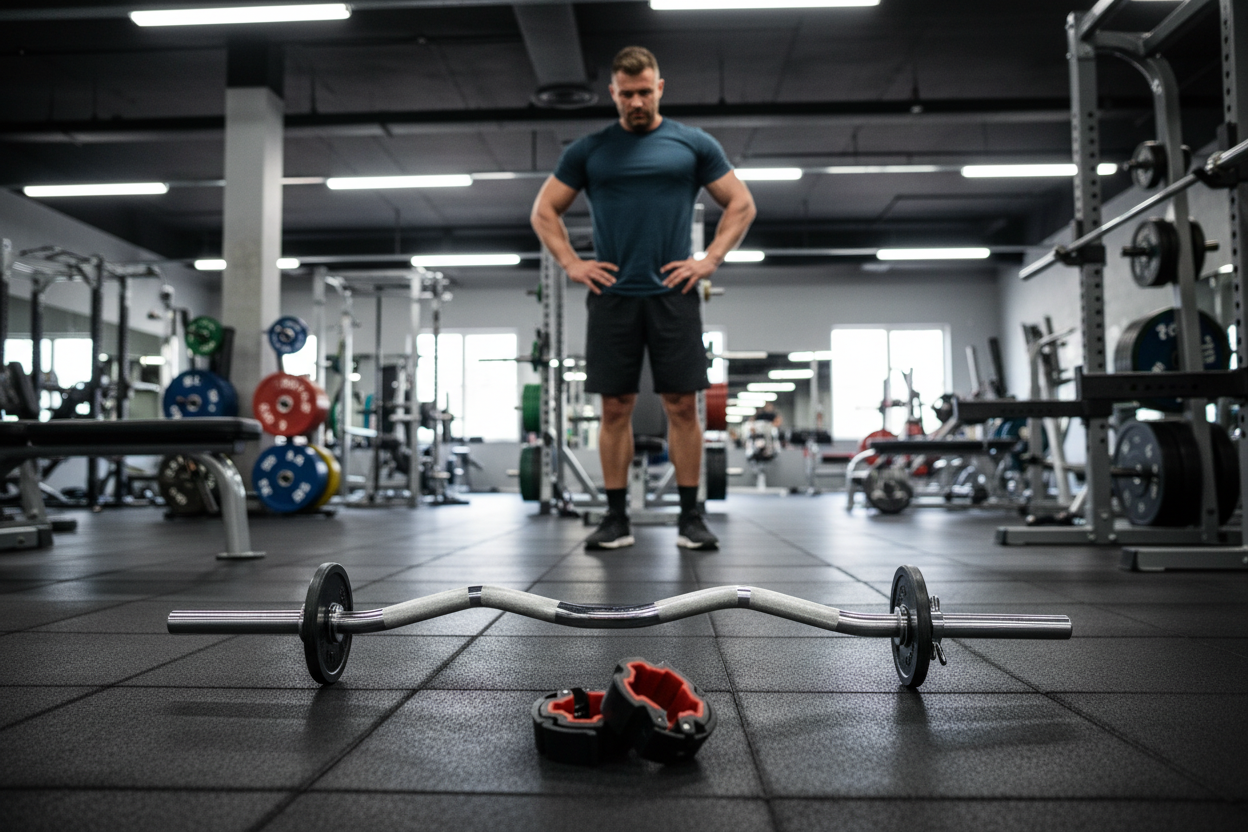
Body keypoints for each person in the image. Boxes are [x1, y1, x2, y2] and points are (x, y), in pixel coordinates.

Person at [530, 45, 756, 551]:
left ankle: (690, 517)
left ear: (659, 88)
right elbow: (544, 211)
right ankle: (615, 518)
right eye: (626, 93)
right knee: (615, 407)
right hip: (613, 296)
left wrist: (709, 260)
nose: (636, 101)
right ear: (613, 93)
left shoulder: (692, 144)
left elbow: (740, 204)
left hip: (674, 293)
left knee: (682, 405)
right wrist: (571, 263)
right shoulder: (589, 151)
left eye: (644, 91)